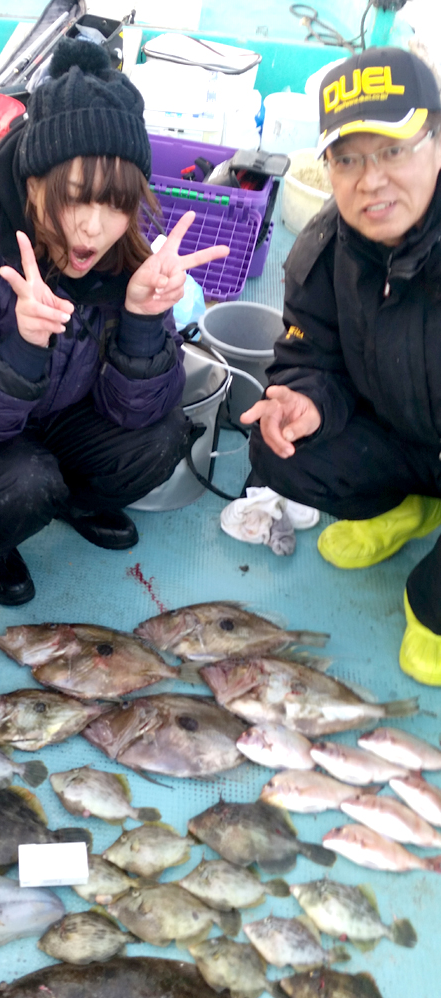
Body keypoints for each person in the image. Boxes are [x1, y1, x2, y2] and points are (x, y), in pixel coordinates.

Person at [0, 40, 228, 607]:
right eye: (75, 198)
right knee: (24, 485)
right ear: (32, 180)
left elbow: (140, 410)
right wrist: (23, 349)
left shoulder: (125, 255)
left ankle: (73, 504)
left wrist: (144, 321)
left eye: (117, 204)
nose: (94, 229)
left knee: (164, 436)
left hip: (57, 418)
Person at [242, 46, 441, 686]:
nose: (371, 179)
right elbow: (309, 353)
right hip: (406, 437)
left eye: (393, 150)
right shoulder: (327, 246)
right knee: (277, 450)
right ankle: (409, 506)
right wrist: (302, 399)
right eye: (347, 158)